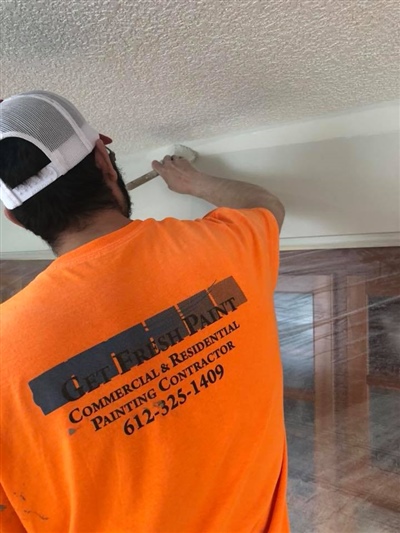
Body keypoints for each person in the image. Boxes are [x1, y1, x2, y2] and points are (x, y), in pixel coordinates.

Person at [0, 90, 288, 532]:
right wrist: (193, 183)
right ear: (102, 159)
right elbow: (268, 206)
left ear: (14, 218)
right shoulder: (227, 248)